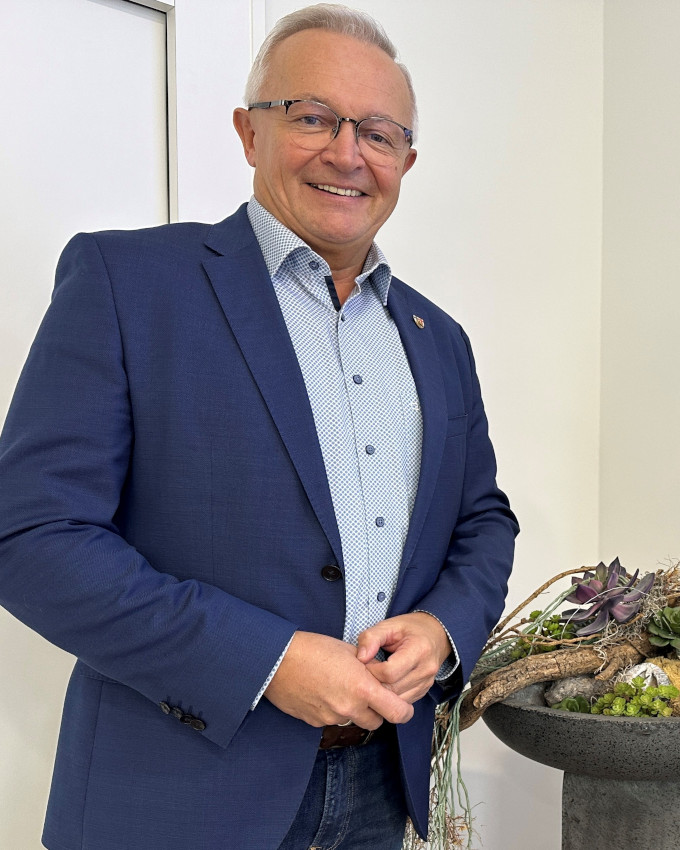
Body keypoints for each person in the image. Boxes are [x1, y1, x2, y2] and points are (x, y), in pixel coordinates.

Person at [0, 5, 517, 849]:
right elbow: (28, 536)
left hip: (380, 789)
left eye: (379, 133)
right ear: (249, 133)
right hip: (175, 799)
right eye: (313, 117)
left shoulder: (439, 339)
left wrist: (444, 628)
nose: (348, 153)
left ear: (406, 161)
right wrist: (267, 660)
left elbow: (481, 520)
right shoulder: (128, 284)